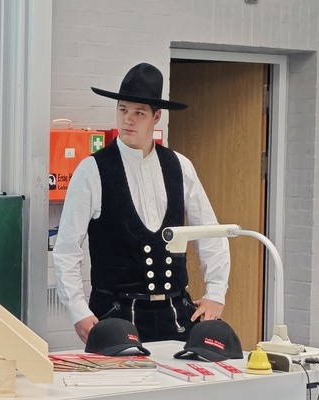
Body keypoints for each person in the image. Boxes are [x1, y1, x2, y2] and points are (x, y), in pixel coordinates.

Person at [52, 62, 231, 344]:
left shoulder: (180, 166)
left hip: (175, 314)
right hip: (114, 315)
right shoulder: (92, 170)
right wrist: (78, 310)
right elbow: (67, 248)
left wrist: (216, 293)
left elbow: (211, 233)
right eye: (123, 110)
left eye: (139, 112)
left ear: (156, 117)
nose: (128, 120)